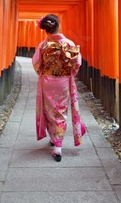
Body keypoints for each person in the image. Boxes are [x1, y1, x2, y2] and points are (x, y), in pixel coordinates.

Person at [32, 14, 86, 162]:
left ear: (46, 30)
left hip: (48, 81)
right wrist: (70, 73)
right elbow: (77, 62)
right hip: (63, 81)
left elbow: (36, 63)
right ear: (58, 26)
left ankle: (55, 141)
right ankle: (57, 145)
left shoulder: (43, 45)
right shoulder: (68, 43)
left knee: (49, 110)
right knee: (60, 111)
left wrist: (43, 74)